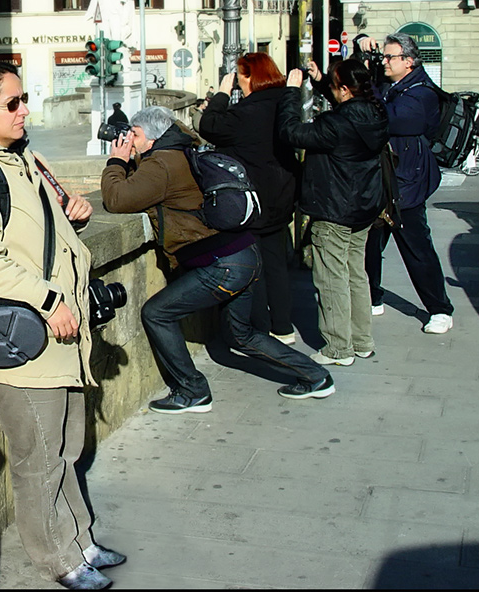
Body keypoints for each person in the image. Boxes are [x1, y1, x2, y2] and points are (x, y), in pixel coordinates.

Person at [0, 62, 125, 591]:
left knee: (66, 447)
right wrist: (47, 299)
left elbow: (38, 231)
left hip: (62, 332)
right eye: (12, 104)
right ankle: (56, 560)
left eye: (24, 100)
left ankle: (80, 540)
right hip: (23, 338)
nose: (24, 111)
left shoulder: (26, 159)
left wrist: (73, 214)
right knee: (38, 455)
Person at [100, 105, 334, 412]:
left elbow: (117, 200)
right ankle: (316, 376)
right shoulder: (181, 151)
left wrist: (116, 162)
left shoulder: (161, 164)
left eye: (136, 134)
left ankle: (192, 390)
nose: (131, 138)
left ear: (153, 137)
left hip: (222, 265)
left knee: (157, 313)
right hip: (243, 253)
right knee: (241, 334)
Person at [278, 61, 390, 366]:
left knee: (331, 277)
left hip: (335, 206)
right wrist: (323, 79)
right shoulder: (377, 113)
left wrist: (291, 92)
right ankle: (362, 340)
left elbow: (291, 132)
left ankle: (339, 347)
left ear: (343, 90)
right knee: (357, 273)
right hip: (364, 205)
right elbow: (348, 95)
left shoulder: (335, 125)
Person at [356, 32, 454, 334]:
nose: (383, 62)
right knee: (371, 243)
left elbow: (388, 118)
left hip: (407, 182)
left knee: (415, 245)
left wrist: (371, 88)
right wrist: (362, 45)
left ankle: (440, 309)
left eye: (389, 57)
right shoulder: (395, 84)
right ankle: (373, 298)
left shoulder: (420, 93)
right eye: (383, 56)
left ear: (408, 61)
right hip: (384, 177)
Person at [198, 53, 300, 344]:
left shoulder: (247, 112)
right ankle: (283, 328)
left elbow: (209, 126)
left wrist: (220, 93)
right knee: (277, 263)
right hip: (282, 194)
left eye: (241, 77)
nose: (239, 83)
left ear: (250, 78)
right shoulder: (284, 102)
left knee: (255, 268)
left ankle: (260, 329)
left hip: (253, 202)